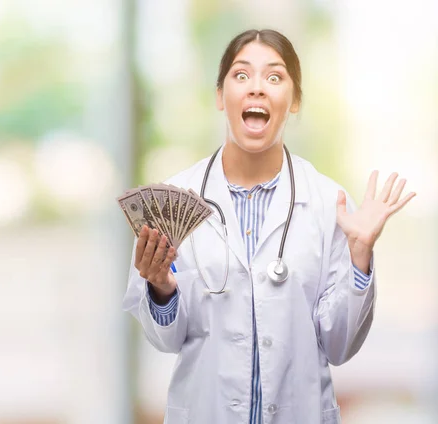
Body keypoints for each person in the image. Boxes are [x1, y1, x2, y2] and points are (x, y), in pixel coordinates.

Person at [122, 29, 415, 424]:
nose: (257, 88)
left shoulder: (331, 203)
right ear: (219, 96)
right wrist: (161, 288)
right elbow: (164, 340)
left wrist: (359, 257)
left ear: (293, 102)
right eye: (241, 75)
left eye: (274, 77)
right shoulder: (172, 202)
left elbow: (340, 345)